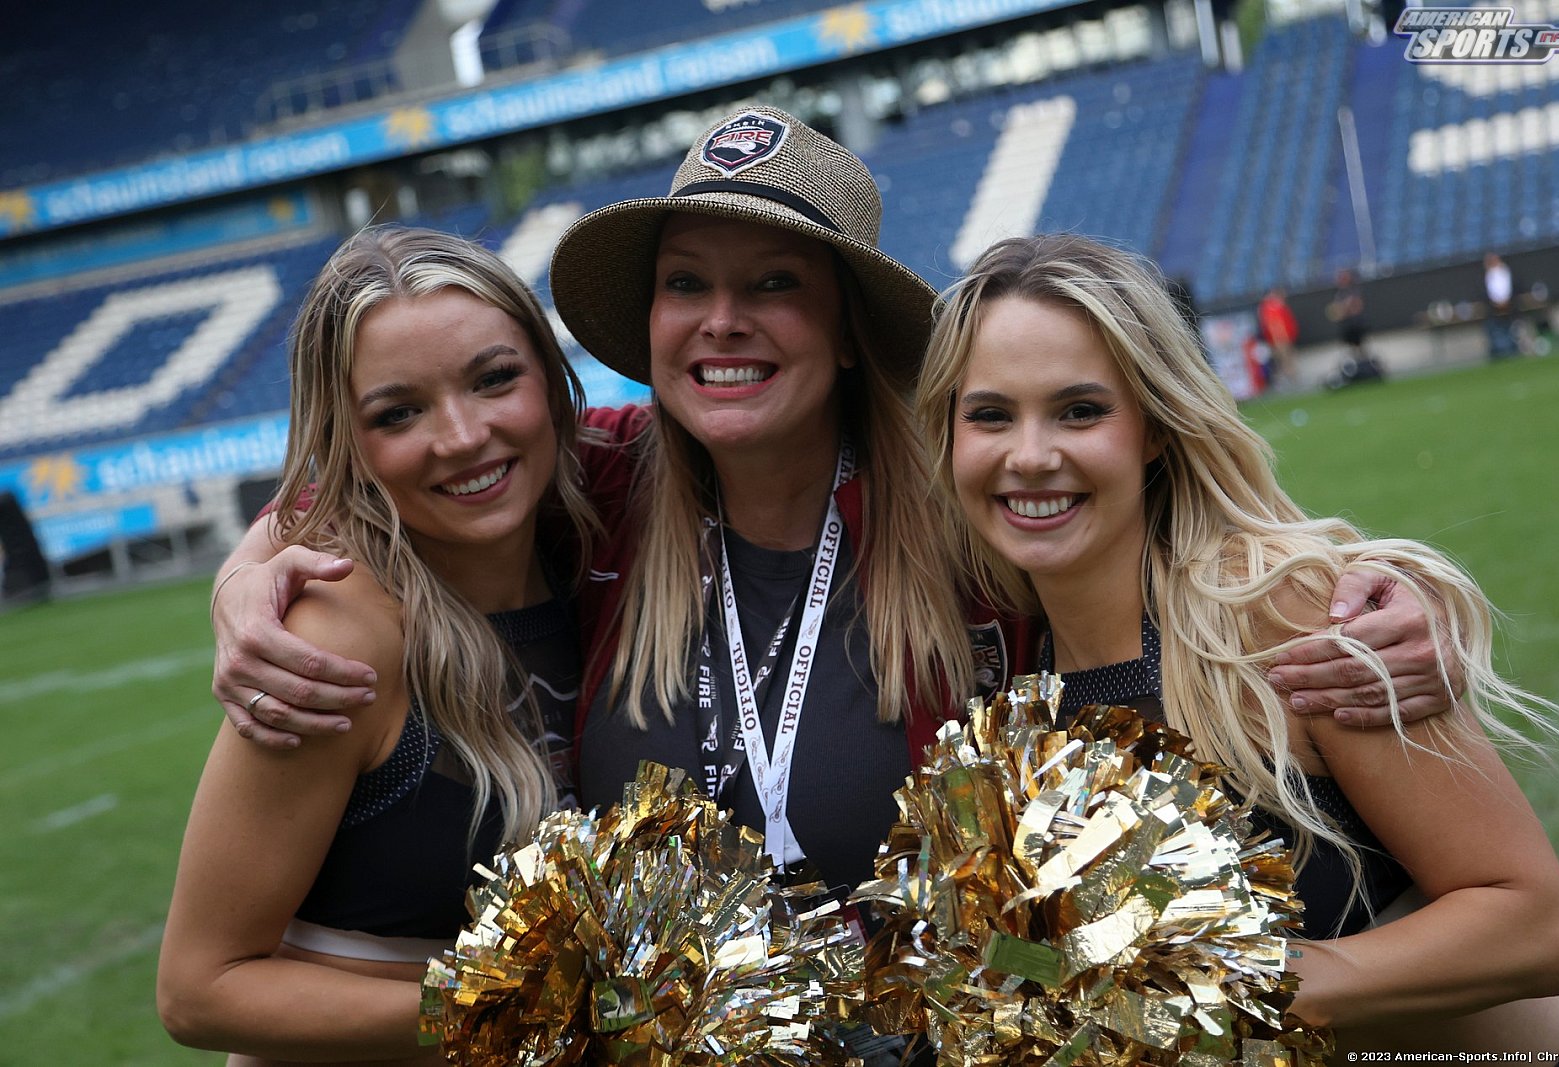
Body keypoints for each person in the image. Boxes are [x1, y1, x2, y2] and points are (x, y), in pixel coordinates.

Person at [207, 107, 1457, 901]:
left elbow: (1185, 522)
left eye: (773, 284)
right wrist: (251, 571)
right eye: (685, 282)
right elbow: (403, 455)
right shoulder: (607, 483)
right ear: (649, 327)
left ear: (851, 329)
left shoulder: (970, 508)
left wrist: (1384, 606)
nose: (722, 320)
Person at [915, 232, 1559, 1054]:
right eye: (991, 414)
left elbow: (1541, 927)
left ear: (1155, 428)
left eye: (1080, 410)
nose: (1030, 455)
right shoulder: (1006, 673)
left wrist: (1235, 983)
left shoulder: (1280, 611)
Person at [157, 227, 596, 1064]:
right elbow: (199, 986)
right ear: (346, 439)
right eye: (399, 412)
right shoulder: (336, 632)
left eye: (495, 378)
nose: (463, 435)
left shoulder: (602, 549)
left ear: (550, 373)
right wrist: (506, 1009)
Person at [1256, 285, 1299, 389]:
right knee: (1284, 359)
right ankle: (1291, 380)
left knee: (1283, 360)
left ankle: (1287, 380)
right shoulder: (1271, 307)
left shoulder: (1275, 306)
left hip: (1281, 339)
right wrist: (1280, 339)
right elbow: (1275, 325)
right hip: (1280, 339)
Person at [1483, 251, 1519, 359]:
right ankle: (1499, 351)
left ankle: (1513, 349)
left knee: (1512, 329)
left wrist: (1506, 302)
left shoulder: (1506, 272)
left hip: (1510, 306)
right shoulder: (1487, 275)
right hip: (1493, 309)